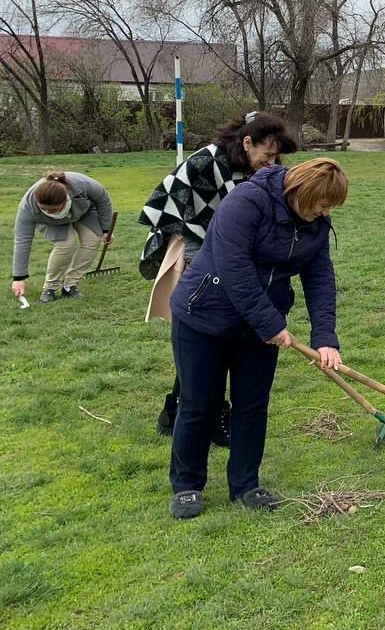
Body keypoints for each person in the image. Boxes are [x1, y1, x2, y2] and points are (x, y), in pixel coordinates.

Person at [166, 157, 347, 520]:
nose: (326, 213)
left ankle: (245, 485)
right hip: (204, 316)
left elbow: (319, 277)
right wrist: (271, 324)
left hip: (259, 329)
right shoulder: (246, 202)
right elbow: (236, 271)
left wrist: (325, 337)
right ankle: (187, 485)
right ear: (302, 192)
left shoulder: (316, 224)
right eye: (323, 204)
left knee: (252, 405)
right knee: (199, 403)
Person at [138, 111, 298, 442]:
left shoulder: (253, 170)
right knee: (208, 326)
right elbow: (178, 205)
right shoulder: (207, 161)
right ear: (247, 142)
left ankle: (178, 411)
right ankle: (197, 412)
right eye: (266, 155)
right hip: (197, 243)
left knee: (220, 333)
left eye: (276, 157)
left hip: (228, 247)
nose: (271, 163)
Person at [11, 171, 114, 304]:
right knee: (66, 245)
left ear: (65, 200)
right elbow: (22, 240)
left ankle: (70, 285)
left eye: (52, 210)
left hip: (83, 211)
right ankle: (50, 287)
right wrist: (18, 278)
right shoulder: (28, 207)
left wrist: (106, 230)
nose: (48, 212)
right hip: (50, 223)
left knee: (92, 239)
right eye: (44, 209)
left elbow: (103, 200)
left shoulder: (82, 184)